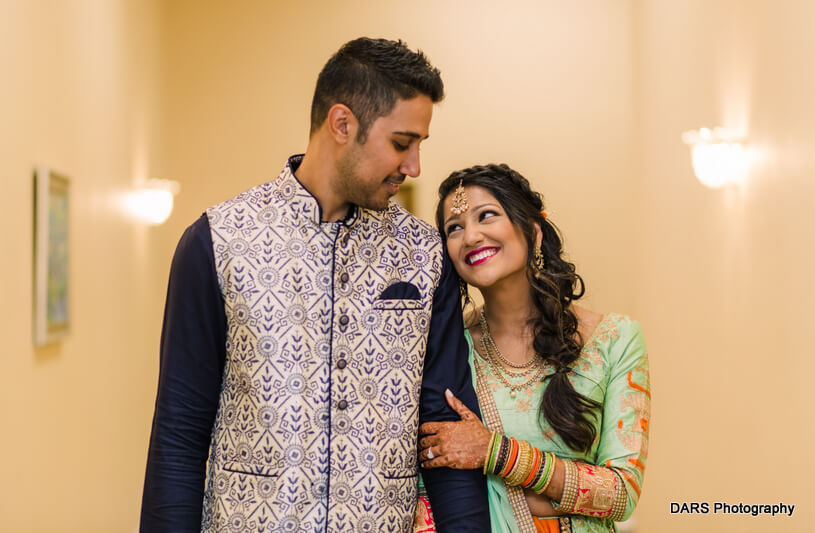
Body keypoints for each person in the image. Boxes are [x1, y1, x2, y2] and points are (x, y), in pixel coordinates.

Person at [140, 37, 490, 533]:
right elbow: (179, 434)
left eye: (419, 146)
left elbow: (443, 434)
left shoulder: (426, 255)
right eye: (401, 143)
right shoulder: (217, 242)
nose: (414, 167)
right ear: (342, 124)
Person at [416, 164, 650, 532]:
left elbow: (621, 492)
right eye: (454, 228)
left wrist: (495, 453)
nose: (471, 236)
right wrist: (556, 493)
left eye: (486, 216)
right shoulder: (448, 346)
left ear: (534, 231)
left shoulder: (613, 339)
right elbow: (428, 478)